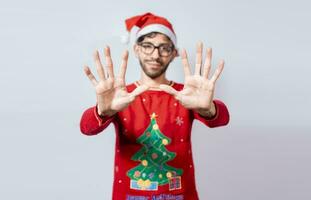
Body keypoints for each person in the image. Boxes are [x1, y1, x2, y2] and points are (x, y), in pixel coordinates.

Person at [80, 12, 230, 200]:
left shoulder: (186, 95)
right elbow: (87, 127)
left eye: (164, 48)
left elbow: (222, 118)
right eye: (147, 46)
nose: (155, 55)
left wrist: (208, 109)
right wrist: (102, 111)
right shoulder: (121, 96)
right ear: (136, 49)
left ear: (174, 53)